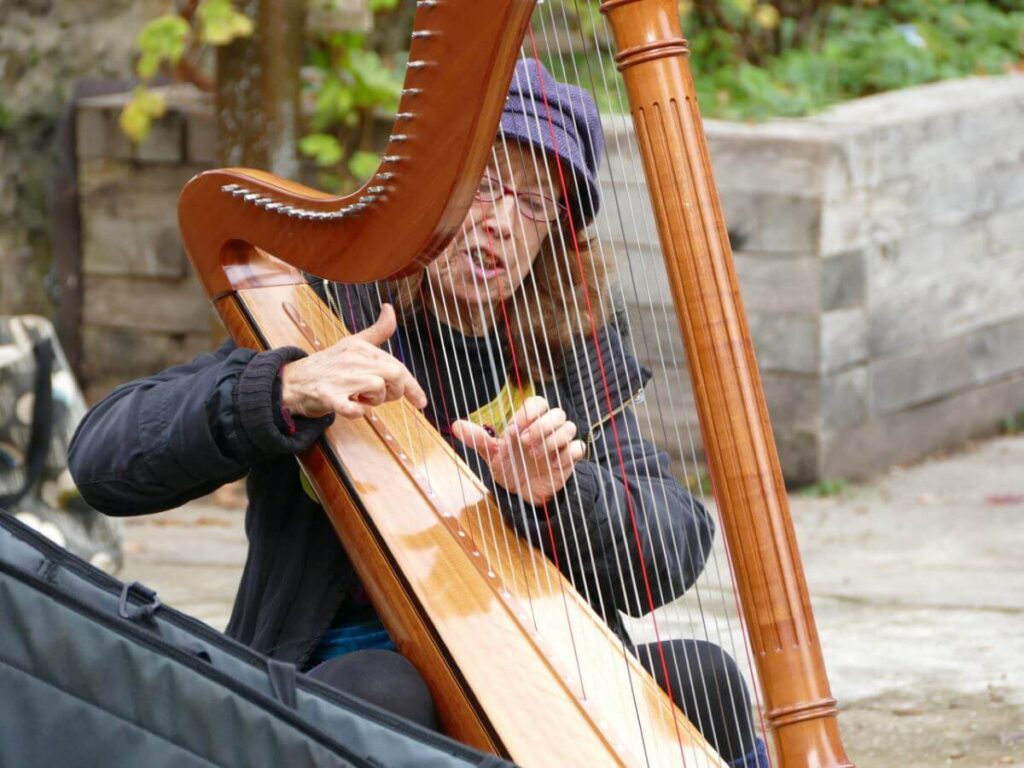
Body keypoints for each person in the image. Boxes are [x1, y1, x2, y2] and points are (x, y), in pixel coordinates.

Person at [69, 60, 767, 767]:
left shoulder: (565, 354)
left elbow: (674, 543)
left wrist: (560, 496)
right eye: (484, 186)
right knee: (387, 694)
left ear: (555, 234)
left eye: (532, 204)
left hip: (535, 654)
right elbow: (102, 462)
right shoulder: (320, 320)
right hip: (337, 663)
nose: (498, 223)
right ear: (431, 196)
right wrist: (280, 389)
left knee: (705, 679)